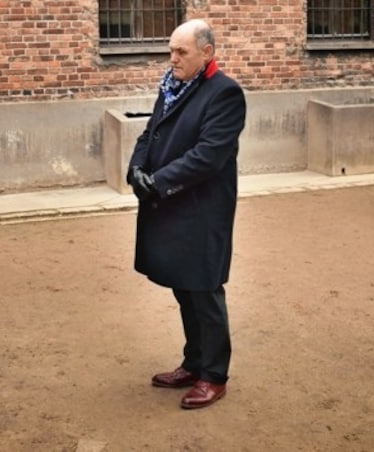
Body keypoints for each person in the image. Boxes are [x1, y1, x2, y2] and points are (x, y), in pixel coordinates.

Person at [126, 19, 247, 409]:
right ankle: (193, 363)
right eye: (171, 50)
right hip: (172, 205)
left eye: (181, 52)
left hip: (201, 211)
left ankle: (214, 375)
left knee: (204, 290)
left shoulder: (225, 94)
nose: (172, 58)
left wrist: (158, 181)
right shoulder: (173, 85)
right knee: (184, 288)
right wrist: (137, 169)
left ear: (206, 53)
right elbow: (151, 132)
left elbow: (207, 157)